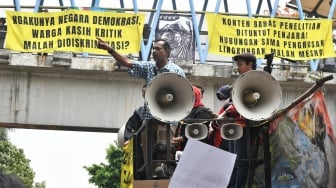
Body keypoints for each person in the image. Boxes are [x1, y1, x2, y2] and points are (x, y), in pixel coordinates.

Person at [97, 37, 185, 178]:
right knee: (148, 158)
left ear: (167, 52)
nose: (154, 51)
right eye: (153, 48)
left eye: (158, 49)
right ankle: (151, 180)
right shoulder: (149, 67)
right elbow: (127, 62)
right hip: (149, 121)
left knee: (164, 153)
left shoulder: (177, 71)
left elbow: (182, 95)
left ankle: (164, 179)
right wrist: (110, 50)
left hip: (167, 121)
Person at [227, 53, 258, 188]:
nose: (237, 68)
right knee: (233, 160)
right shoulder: (240, 81)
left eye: (240, 65)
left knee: (241, 161)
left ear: (250, 65)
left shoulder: (258, 80)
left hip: (247, 126)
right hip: (237, 125)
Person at [173, 86, 214, 151]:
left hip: (196, 147)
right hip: (184, 145)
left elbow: (199, 129)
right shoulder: (187, 110)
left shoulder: (202, 110)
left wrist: (183, 138)